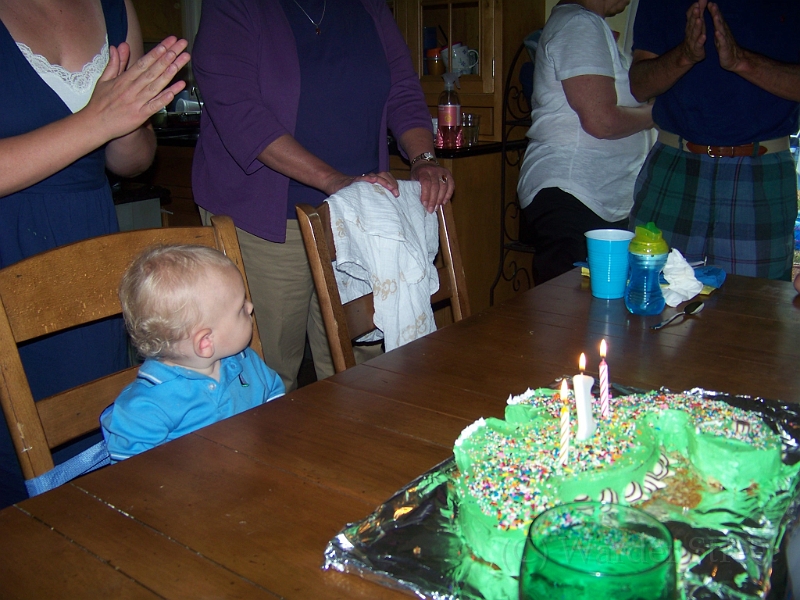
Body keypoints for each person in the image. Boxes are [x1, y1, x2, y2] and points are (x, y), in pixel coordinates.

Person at [190, 0, 454, 392]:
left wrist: (423, 158)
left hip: (356, 213)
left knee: (364, 369)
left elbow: (401, 89)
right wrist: (334, 180)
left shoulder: (368, 7)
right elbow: (239, 112)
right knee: (269, 371)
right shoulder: (236, 6)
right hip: (267, 218)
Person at [0, 0, 190, 507]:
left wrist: (128, 119)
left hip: (86, 238)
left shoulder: (114, 6)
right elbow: (95, 126)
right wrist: (97, 120)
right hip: (6, 242)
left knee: (91, 429)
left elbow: (134, 161)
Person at [629, 0, 800, 281]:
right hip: (674, 164)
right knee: (651, 289)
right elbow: (639, 85)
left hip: (760, 169)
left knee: (753, 302)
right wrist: (684, 55)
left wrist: (742, 61)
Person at [101, 245, 285, 460]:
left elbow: (275, 399)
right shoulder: (147, 406)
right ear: (205, 342)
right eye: (240, 308)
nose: (250, 306)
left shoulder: (246, 362)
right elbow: (132, 470)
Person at [517, 0, 654, 285]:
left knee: (581, 304)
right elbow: (601, 121)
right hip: (573, 191)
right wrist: (658, 114)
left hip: (586, 195)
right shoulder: (579, 24)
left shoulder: (583, 24)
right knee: (566, 304)